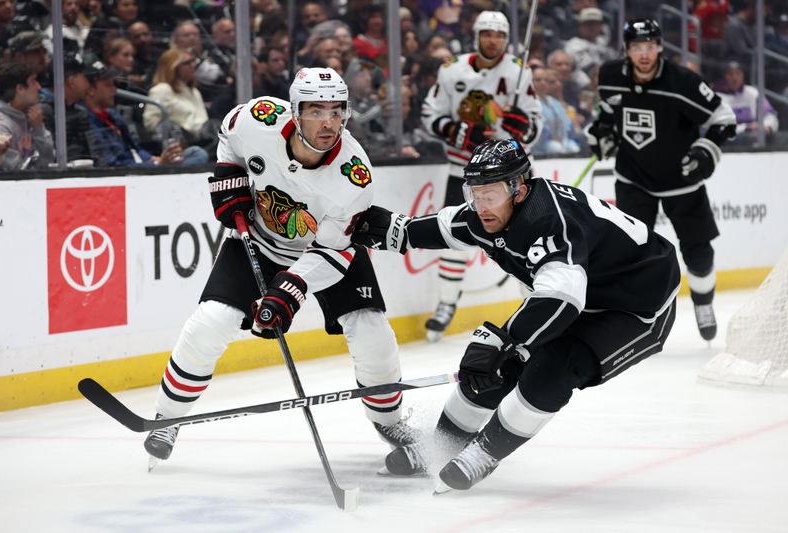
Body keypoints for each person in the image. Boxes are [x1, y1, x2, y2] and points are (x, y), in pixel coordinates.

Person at [350, 138, 681, 491]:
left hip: (637, 305)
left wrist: (504, 342)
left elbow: (562, 298)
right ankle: (441, 446)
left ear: (519, 189)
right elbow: (446, 226)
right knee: (492, 367)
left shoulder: (550, 222)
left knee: (553, 366)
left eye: (490, 195)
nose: (480, 206)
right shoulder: (487, 213)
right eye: (474, 194)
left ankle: (484, 454)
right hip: (584, 293)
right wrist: (392, 230)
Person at [143, 67, 419, 465]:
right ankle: (166, 420)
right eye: (316, 110)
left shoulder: (353, 177)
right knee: (210, 323)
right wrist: (229, 176)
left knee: (373, 333)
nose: (328, 122)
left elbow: (333, 251)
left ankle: (390, 423)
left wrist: (290, 288)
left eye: (337, 110)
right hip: (258, 240)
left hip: (330, 254)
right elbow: (228, 138)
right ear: (294, 110)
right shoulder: (257, 119)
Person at [584, 18, 736, 341]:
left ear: (660, 48)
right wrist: (603, 133)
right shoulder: (610, 76)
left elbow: (724, 118)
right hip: (633, 177)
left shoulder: (682, 82)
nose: (644, 54)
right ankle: (632, 314)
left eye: (650, 46)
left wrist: (707, 151)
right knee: (630, 249)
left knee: (698, 251)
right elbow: (611, 112)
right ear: (626, 50)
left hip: (681, 179)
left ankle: (703, 301)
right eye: (637, 47)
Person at [420, 10, 543, 342]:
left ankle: (535, 305)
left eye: (500, 35)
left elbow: (535, 122)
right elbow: (430, 113)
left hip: (511, 175)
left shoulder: (519, 73)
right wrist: (461, 133)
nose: (494, 40)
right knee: (453, 240)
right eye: (488, 34)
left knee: (527, 242)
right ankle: (446, 305)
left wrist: (524, 129)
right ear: (476, 36)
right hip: (461, 170)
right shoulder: (451, 71)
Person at [0, 62, 54, 170]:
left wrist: (39, 129)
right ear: (20, 89)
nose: (39, 87)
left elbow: (48, 160)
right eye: (33, 81)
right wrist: (27, 154)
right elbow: (13, 173)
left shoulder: (31, 116)